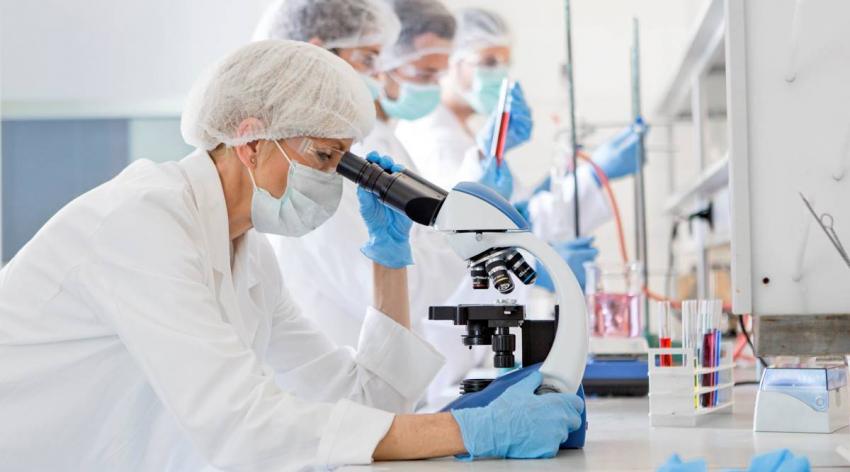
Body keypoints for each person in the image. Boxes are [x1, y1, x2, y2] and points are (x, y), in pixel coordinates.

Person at [0, 40, 584, 470]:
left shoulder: (246, 253)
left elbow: (364, 400)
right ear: (252, 141)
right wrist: (464, 431)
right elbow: (245, 427)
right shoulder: (139, 226)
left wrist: (390, 259)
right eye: (327, 158)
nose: (335, 181)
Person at [257, 0, 489, 407]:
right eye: (367, 58)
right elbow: (397, 293)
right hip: (336, 407)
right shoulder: (311, 172)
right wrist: (461, 242)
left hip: (372, 398)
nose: (380, 74)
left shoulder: (359, 148)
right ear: (317, 54)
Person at [395, 7, 645, 251]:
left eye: (505, 62)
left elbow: (513, 209)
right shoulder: (436, 138)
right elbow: (468, 234)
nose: (500, 73)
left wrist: (556, 181)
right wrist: (595, 173)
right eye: (489, 62)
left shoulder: (464, 131)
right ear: (451, 62)